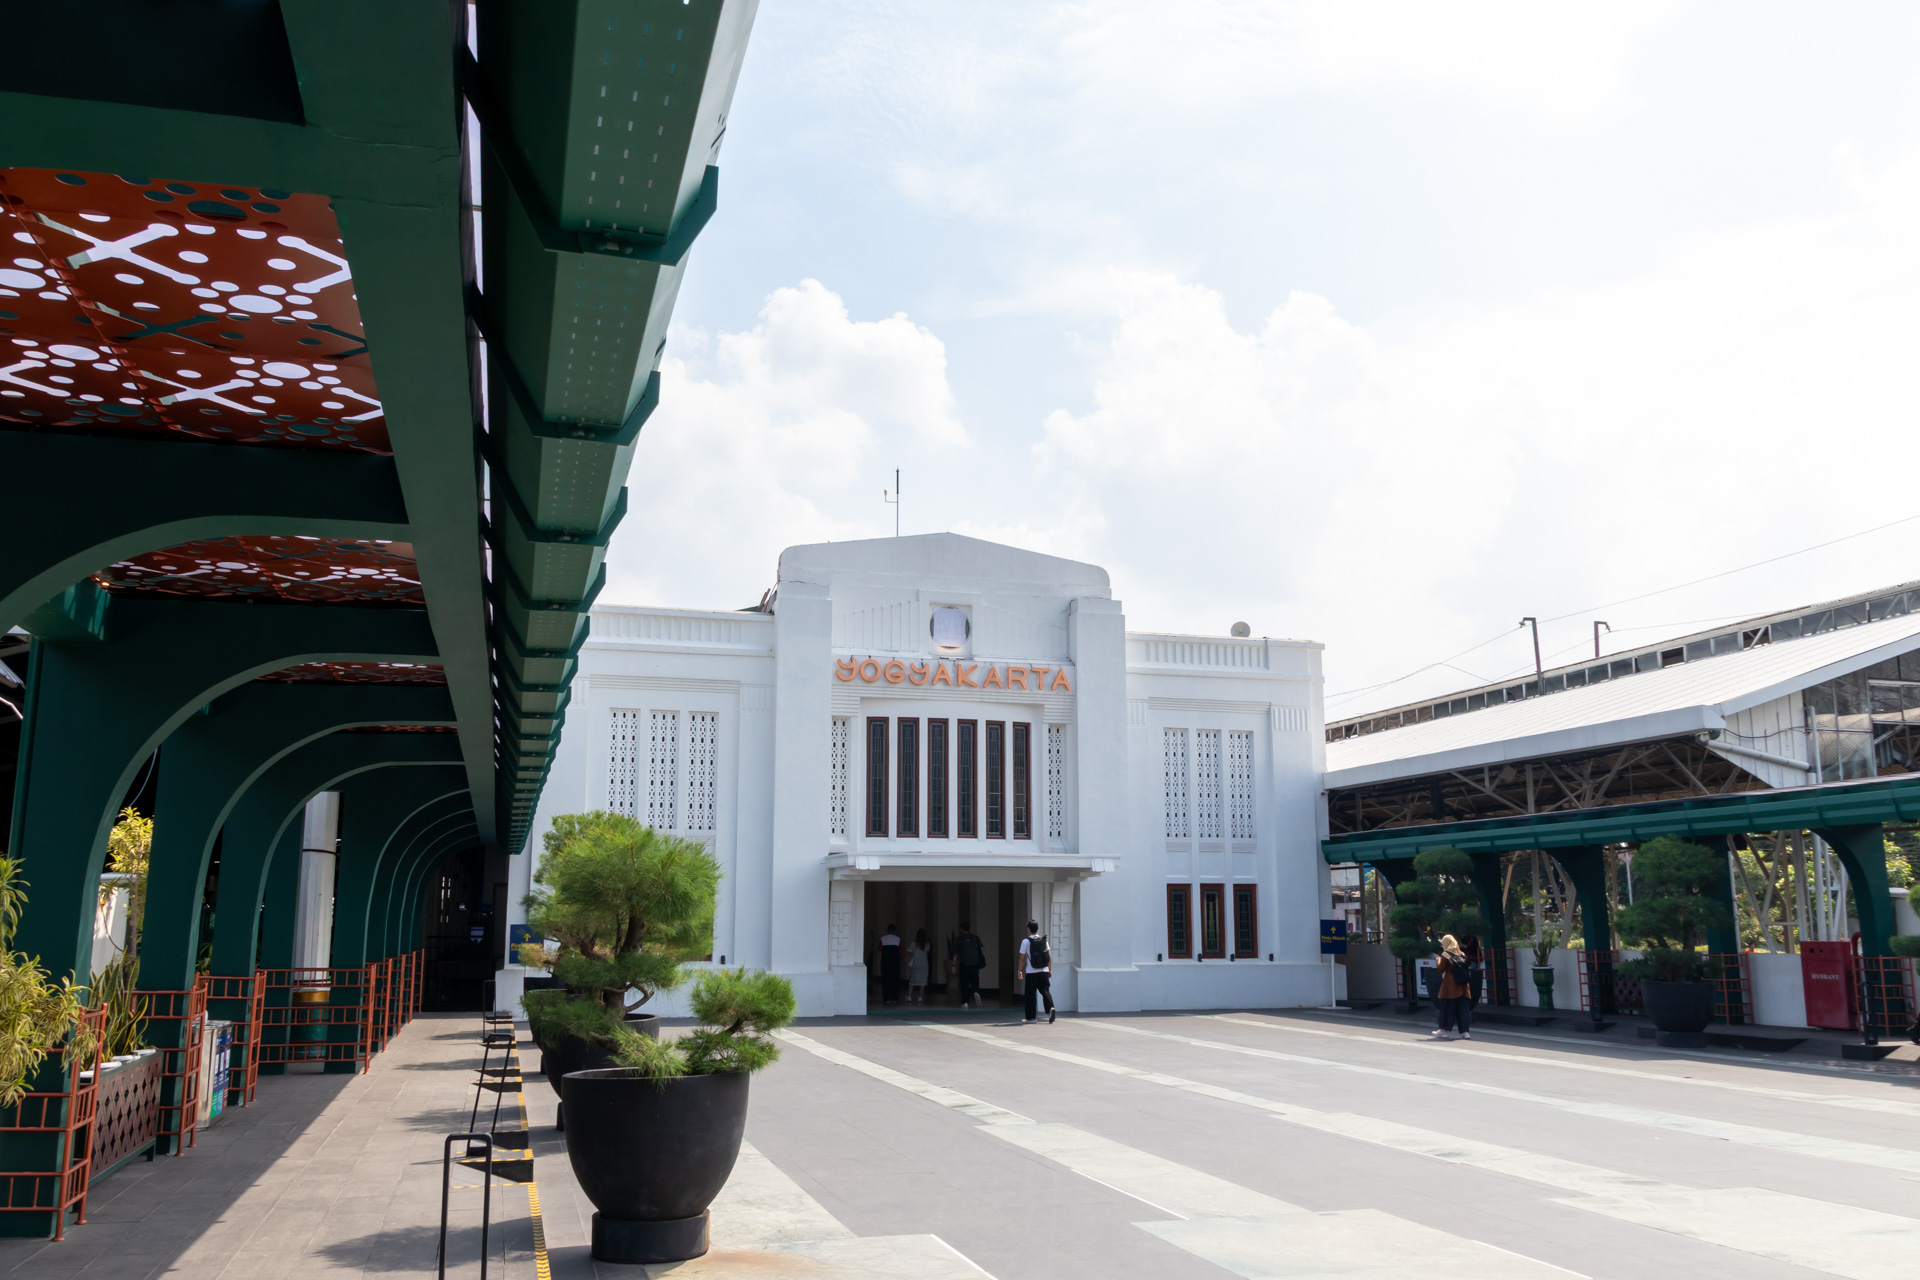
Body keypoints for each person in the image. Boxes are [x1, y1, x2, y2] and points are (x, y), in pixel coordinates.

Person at [1431, 934, 1473, 1040]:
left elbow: (1441, 969)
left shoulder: (1446, 954)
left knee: (1447, 1008)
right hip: (1464, 986)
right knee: (1463, 1009)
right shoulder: (1461, 953)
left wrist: (1438, 961)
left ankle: (1443, 1031)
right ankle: (1465, 1032)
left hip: (1450, 986)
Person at [1018, 918, 1056, 1025]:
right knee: (1045, 991)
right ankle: (1051, 1008)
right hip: (1043, 970)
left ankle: (1031, 1018)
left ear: (1029, 929)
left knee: (1030, 994)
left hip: (1031, 972)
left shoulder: (1026, 941)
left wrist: (1019, 970)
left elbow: (1022, 958)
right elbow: (1049, 956)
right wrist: (1049, 969)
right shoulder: (1043, 940)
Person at [953, 921, 986, 1008]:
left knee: (965, 983)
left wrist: (953, 965)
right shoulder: (975, 937)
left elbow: (955, 953)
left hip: (964, 964)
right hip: (975, 963)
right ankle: (976, 992)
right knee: (975, 980)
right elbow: (982, 948)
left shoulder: (960, 939)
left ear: (962, 929)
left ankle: (965, 1002)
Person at [878, 924, 902, 1006]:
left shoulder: (883, 938)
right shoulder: (898, 939)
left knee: (885, 981)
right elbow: (901, 949)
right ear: (894, 930)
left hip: (885, 962)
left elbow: (879, 949)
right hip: (895, 963)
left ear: (887, 930)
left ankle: (886, 998)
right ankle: (895, 998)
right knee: (895, 980)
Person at [907, 927, 931, 1004]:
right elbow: (927, 952)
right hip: (924, 964)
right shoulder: (927, 944)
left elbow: (909, 952)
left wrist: (914, 955)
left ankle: (909, 996)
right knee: (923, 981)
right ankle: (920, 996)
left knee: (912, 980)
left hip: (915, 964)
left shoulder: (913, 943)